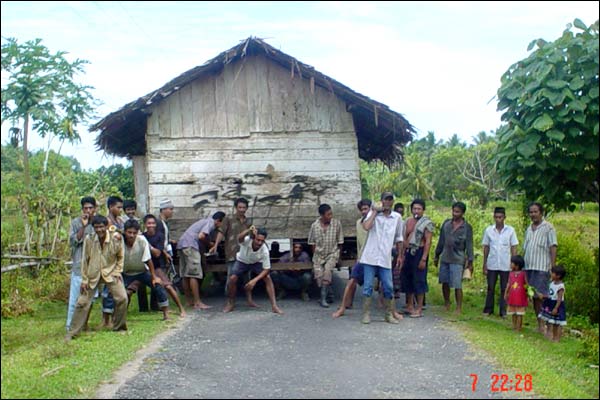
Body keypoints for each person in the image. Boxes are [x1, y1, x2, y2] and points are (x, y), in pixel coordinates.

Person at [65, 215, 127, 341]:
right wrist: (84, 279)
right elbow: (85, 260)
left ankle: (119, 327)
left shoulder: (116, 238)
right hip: (92, 274)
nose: (99, 230)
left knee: (122, 298)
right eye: (96, 227)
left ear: (106, 227)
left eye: (101, 227)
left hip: (110, 273)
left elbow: (121, 257)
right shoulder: (89, 239)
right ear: (93, 228)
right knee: (82, 303)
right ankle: (73, 332)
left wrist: (117, 271)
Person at [359, 192, 404, 324]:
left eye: (390, 200)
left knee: (389, 286)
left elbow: (399, 238)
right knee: (368, 286)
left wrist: (400, 255)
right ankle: (366, 314)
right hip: (370, 256)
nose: (388, 202)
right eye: (386, 200)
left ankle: (388, 314)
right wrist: (374, 212)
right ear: (382, 201)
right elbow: (366, 227)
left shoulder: (397, 218)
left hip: (385, 257)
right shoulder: (373, 214)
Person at [117, 219, 171, 320]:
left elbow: (148, 259)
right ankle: (116, 316)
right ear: (125, 231)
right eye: (129, 232)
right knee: (116, 291)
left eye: (134, 233)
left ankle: (166, 314)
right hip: (125, 273)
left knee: (158, 286)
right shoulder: (119, 241)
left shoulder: (142, 240)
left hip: (142, 272)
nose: (132, 235)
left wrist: (154, 277)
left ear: (137, 232)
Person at [223, 227, 283, 314]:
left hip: (256, 262)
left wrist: (254, 281)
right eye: (258, 240)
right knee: (232, 278)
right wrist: (248, 230)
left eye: (262, 241)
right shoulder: (247, 240)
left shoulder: (264, 250)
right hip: (242, 261)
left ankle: (274, 306)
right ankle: (231, 303)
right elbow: (239, 238)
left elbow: (267, 269)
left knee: (268, 278)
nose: (259, 243)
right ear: (254, 238)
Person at [211, 198, 255, 305]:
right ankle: (230, 302)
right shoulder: (228, 219)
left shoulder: (249, 221)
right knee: (231, 278)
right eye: (239, 207)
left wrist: (253, 232)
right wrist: (215, 245)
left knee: (247, 278)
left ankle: (249, 300)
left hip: (245, 253)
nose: (241, 210)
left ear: (247, 208)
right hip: (232, 253)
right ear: (236, 207)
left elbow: (251, 237)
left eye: (244, 207)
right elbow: (221, 232)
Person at [177, 212, 225, 310]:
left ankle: (189, 301)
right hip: (191, 246)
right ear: (218, 221)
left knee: (185, 275)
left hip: (182, 244)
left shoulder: (204, 221)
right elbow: (201, 236)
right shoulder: (210, 223)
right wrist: (210, 244)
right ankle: (197, 302)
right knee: (194, 274)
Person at [332, 199, 371, 318]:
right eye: (362, 209)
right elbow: (360, 242)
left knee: (385, 284)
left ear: (371, 209)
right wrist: (359, 256)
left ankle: (388, 310)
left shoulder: (376, 222)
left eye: (366, 209)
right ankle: (344, 306)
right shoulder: (359, 223)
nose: (364, 211)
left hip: (375, 257)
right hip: (362, 257)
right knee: (351, 280)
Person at [523, 202, 558, 333]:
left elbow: (553, 246)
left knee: (543, 296)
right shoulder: (529, 228)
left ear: (541, 212)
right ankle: (540, 324)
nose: (533, 214)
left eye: (535, 212)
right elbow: (525, 248)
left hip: (542, 267)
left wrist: (552, 266)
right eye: (531, 212)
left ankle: (549, 325)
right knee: (534, 296)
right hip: (529, 267)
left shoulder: (548, 227)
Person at [434, 201, 473, 314]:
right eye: (454, 211)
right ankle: (447, 303)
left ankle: (458, 307)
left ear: (462, 213)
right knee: (444, 282)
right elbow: (441, 241)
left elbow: (469, 245)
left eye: (458, 212)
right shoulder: (446, 224)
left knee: (457, 284)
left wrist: (470, 261)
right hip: (445, 257)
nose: (455, 214)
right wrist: (437, 255)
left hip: (458, 258)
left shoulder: (467, 227)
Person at [143, 214, 186, 317]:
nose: (151, 225)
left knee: (168, 286)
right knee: (130, 289)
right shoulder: (142, 236)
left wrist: (146, 244)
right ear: (145, 224)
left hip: (156, 266)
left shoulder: (159, 236)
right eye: (149, 223)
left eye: (153, 223)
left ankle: (181, 309)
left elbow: (157, 253)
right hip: (143, 266)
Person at [66, 196, 97, 332]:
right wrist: (83, 227)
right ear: (82, 209)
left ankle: (84, 325)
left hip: (94, 267)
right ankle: (70, 327)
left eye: (91, 208)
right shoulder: (76, 223)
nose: (88, 211)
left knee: (91, 299)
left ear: (95, 209)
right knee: (75, 299)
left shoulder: (98, 223)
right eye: (86, 208)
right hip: (79, 266)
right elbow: (73, 241)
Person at [482, 207, 519, 317]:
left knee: (505, 288)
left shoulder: (510, 231)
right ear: (494, 217)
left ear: (504, 218)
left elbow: (513, 247)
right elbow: (486, 247)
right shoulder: (489, 230)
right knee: (490, 287)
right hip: (492, 264)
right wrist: (484, 264)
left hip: (505, 265)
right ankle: (488, 309)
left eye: (500, 217)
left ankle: (503, 311)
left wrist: (514, 264)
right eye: (496, 217)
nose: (498, 219)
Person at [400, 199, 434, 318]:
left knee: (419, 279)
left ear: (423, 210)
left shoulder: (427, 223)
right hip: (408, 252)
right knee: (407, 279)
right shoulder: (407, 222)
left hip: (419, 252)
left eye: (419, 209)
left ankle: (419, 308)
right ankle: (409, 305)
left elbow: (428, 242)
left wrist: (423, 259)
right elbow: (403, 238)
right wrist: (402, 255)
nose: (416, 211)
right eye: (414, 208)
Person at [308, 204, 344, 308]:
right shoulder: (315, 226)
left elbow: (340, 241)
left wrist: (339, 257)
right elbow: (312, 242)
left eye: (331, 214)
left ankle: (323, 298)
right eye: (328, 214)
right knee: (319, 277)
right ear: (322, 215)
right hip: (319, 255)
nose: (330, 216)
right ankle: (330, 293)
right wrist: (315, 254)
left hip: (332, 253)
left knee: (327, 272)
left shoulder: (336, 224)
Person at [537, 265, 566, 342]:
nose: (551, 274)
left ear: (558, 275)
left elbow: (559, 298)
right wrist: (543, 296)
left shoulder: (561, 286)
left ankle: (557, 338)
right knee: (551, 322)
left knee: (557, 323)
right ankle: (552, 336)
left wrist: (556, 308)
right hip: (550, 303)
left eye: (552, 273)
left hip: (556, 305)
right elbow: (551, 294)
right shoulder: (552, 283)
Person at [504, 255, 528, 332]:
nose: (510, 264)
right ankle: (514, 326)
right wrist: (506, 293)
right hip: (512, 297)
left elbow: (526, 284)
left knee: (519, 313)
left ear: (517, 266)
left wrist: (528, 294)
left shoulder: (523, 274)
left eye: (512, 263)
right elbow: (508, 283)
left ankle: (519, 327)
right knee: (513, 313)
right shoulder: (510, 274)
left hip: (520, 297)